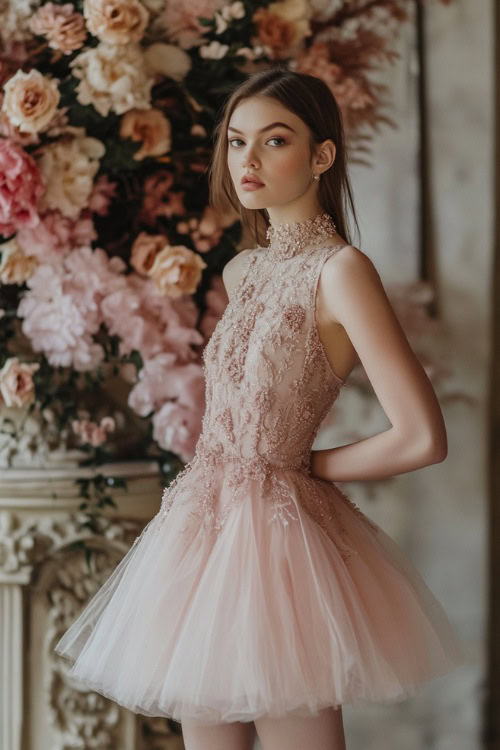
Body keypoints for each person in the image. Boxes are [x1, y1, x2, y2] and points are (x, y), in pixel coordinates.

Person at [54, 67, 465, 750]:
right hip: (197, 536)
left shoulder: (342, 271)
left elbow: (421, 436)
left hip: (277, 547)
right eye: (237, 141)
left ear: (321, 155)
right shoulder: (242, 271)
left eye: (274, 141)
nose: (247, 160)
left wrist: (309, 467)